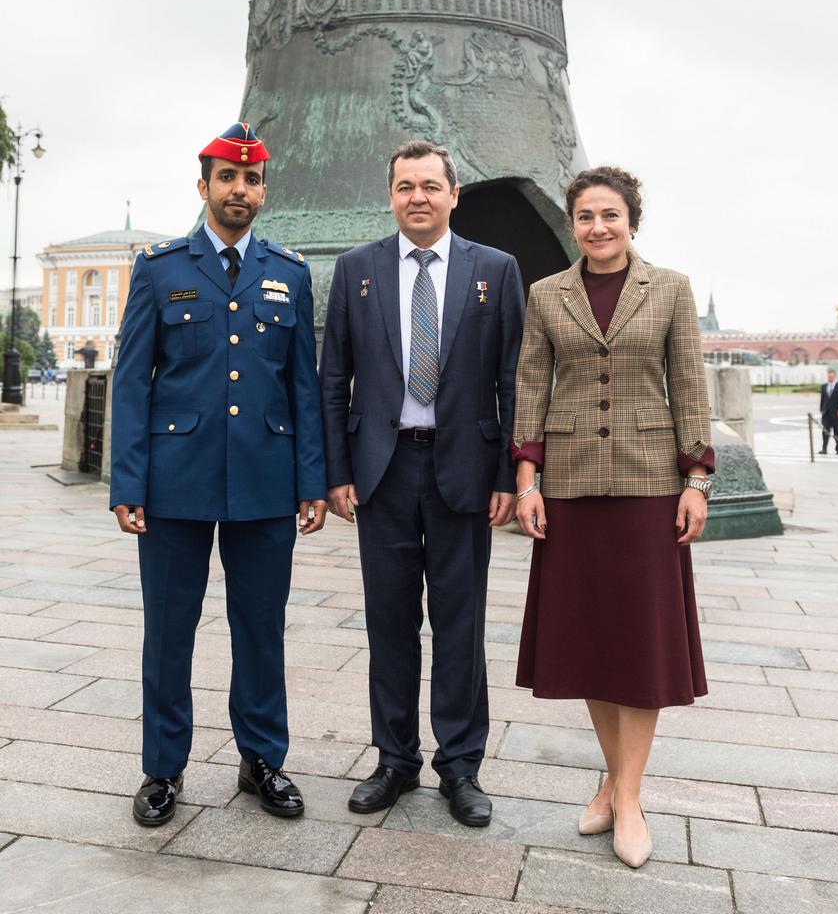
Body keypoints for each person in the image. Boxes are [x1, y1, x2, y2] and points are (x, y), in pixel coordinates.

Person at [110, 122, 327, 827]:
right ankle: (162, 768)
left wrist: (309, 480)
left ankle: (261, 757)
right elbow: (133, 382)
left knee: (260, 627)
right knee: (169, 629)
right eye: (227, 178)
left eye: (252, 179)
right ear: (203, 186)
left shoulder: (289, 273)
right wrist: (128, 483)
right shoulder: (160, 269)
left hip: (265, 482)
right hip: (175, 481)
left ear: (264, 190)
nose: (241, 189)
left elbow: (303, 386)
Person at [512, 166, 712, 869]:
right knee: (591, 642)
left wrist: (695, 480)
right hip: (567, 487)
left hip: (647, 484)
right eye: (585, 217)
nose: (597, 227)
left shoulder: (672, 290)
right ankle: (617, 782)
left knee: (640, 647)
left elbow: (688, 384)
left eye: (610, 215)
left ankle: (625, 797)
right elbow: (532, 385)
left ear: (632, 220)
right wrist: (527, 480)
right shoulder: (545, 295)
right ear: (571, 225)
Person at [320, 139, 525, 827]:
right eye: (405, 186)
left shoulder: (494, 271)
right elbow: (332, 381)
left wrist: (507, 475)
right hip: (381, 470)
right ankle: (394, 760)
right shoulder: (356, 270)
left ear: (453, 194)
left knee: (460, 626)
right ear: (390, 195)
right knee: (389, 624)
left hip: (464, 471)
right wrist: (337, 473)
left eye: (430, 186)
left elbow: (513, 382)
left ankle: (460, 767)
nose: (417, 197)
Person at [819, 369, 838, 454]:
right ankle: (824, 449)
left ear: (835, 376)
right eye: (828, 376)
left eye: (831, 376)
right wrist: (822, 410)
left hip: (837, 414)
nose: (830, 378)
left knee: (836, 432)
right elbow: (823, 399)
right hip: (826, 414)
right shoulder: (824, 386)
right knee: (825, 432)